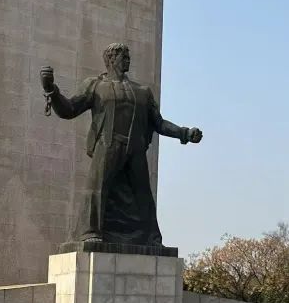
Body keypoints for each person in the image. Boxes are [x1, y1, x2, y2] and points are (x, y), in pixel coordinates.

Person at [39, 45, 203, 246]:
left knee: (143, 193)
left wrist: (184, 133)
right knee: (97, 189)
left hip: (135, 148)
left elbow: (159, 123)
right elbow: (69, 109)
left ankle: (151, 237)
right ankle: (90, 231)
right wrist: (51, 89)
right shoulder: (95, 86)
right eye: (123, 56)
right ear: (110, 59)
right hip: (108, 144)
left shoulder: (142, 92)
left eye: (128, 56)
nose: (127, 59)